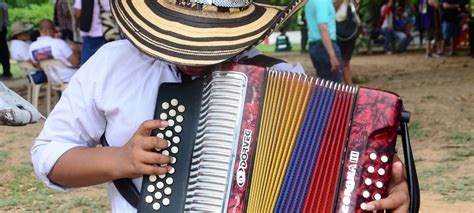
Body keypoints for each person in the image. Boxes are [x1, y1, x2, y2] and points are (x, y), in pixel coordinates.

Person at [31, 0, 410, 212]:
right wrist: (122, 160)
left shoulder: (286, 80)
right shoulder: (112, 64)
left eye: (214, 37)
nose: (196, 50)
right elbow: (50, 156)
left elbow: (340, 181)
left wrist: (384, 193)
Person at [29, 19, 80, 83]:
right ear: (50, 30)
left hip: (52, 79)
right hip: (71, 77)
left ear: (39, 31)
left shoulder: (32, 47)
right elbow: (76, 62)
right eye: (55, 31)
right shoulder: (59, 43)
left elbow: (38, 65)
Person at [306, 0, 343, 83]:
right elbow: (323, 27)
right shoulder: (322, 2)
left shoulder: (310, 2)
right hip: (325, 46)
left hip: (315, 45)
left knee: (324, 86)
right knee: (333, 87)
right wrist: (332, 56)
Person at [74, 0, 110, 64]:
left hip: (89, 33)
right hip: (105, 32)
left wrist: (78, 23)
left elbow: (78, 13)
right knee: (103, 62)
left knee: (86, 64)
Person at [335, 0, 359, 85]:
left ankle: (350, 93)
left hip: (349, 29)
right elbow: (332, 9)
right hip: (336, 28)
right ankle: (338, 89)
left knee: (345, 63)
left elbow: (355, 8)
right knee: (336, 63)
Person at [0, 0, 11, 79]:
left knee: (3, 51)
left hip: (1, 29)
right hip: (3, 29)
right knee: (4, 51)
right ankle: (6, 72)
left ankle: (6, 72)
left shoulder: (2, 5)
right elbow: (6, 21)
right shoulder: (4, 4)